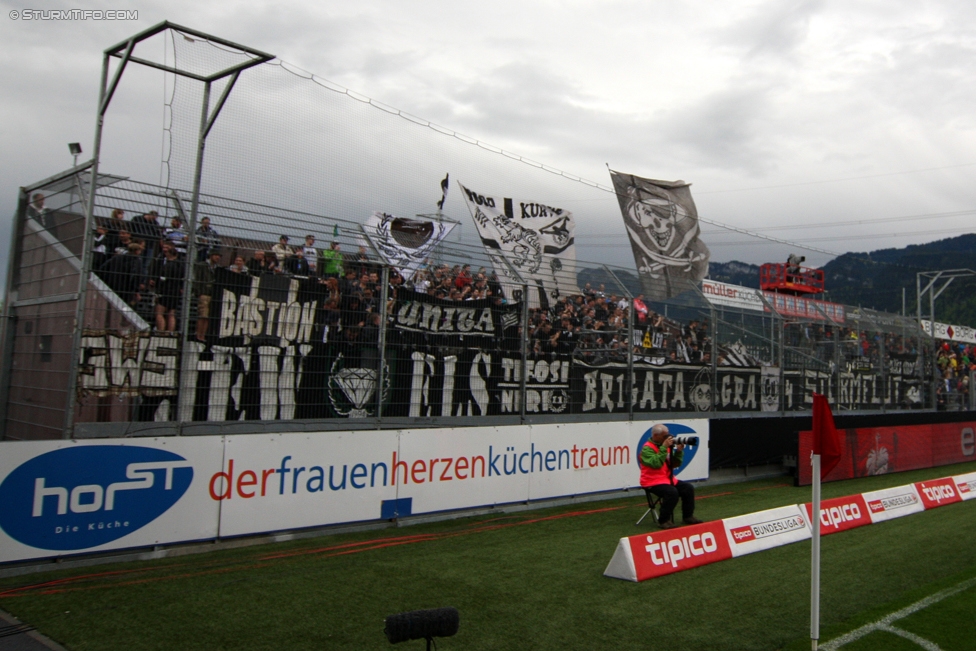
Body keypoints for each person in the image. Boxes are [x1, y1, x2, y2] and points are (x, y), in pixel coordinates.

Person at [639, 423, 702, 529]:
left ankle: (688, 516)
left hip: (667, 479)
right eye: (664, 436)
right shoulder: (647, 449)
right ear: (655, 436)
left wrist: (678, 452)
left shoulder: (666, 446)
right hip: (651, 481)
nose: (667, 437)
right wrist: (664, 448)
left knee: (688, 488)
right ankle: (663, 520)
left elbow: (675, 464)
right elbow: (656, 464)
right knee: (671, 492)